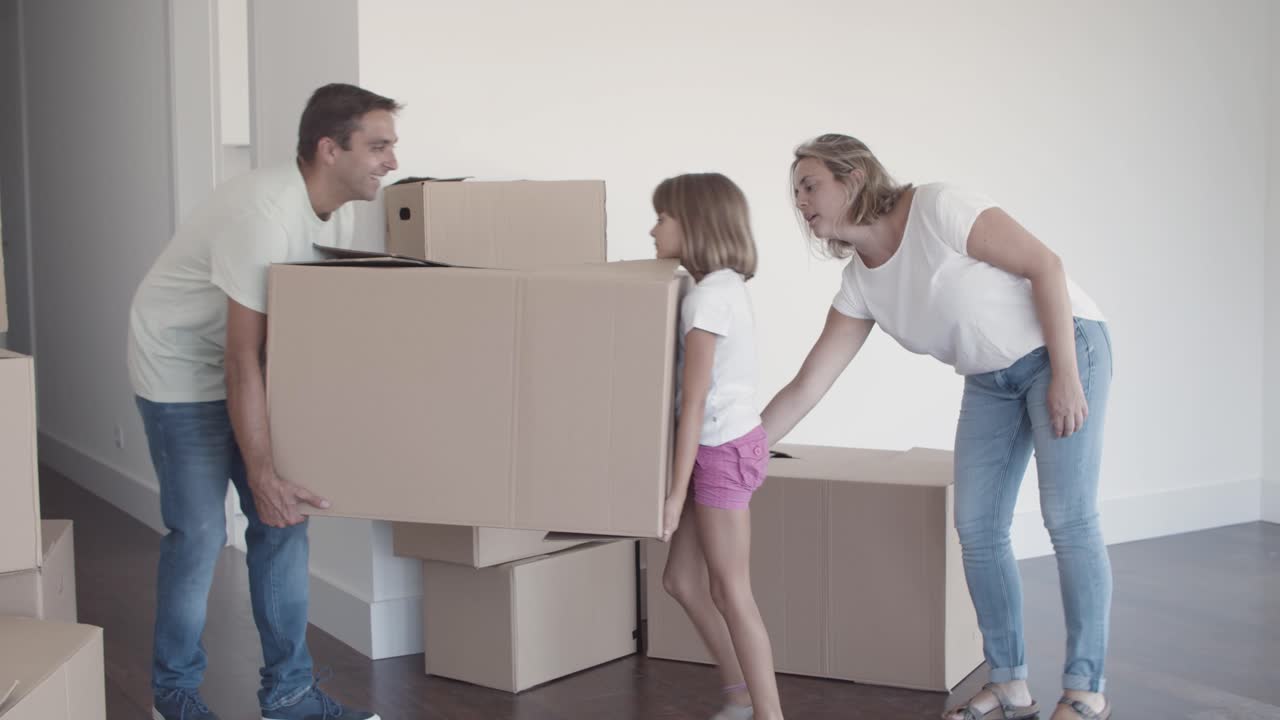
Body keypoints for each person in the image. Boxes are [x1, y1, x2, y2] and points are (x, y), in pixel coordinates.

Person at [761, 134, 1113, 720]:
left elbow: (1044, 266)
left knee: (1068, 517)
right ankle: (1009, 685)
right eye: (796, 191)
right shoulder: (860, 283)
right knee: (977, 526)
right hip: (990, 380)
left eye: (809, 185)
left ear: (853, 178)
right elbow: (808, 385)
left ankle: (1086, 690)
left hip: (1063, 347)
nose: (800, 201)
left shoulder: (937, 207)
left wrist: (1067, 376)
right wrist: (737, 454)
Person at [128, 82, 400, 720]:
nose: (391, 161)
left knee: (282, 521)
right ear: (330, 149)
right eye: (378, 146)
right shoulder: (264, 216)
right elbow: (239, 357)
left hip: (245, 363)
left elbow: (289, 335)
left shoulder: (335, 208)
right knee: (199, 532)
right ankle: (173, 694)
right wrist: (261, 472)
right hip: (180, 366)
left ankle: (291, 695)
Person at [653, 173, 783, 720]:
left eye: (662, 217)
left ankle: (768, 714)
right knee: (681, 581)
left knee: (731, 591)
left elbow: (694, 403)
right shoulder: (721, 287)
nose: (654, 229)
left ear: (695, 223)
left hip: (719, 451)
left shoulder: (705, 299)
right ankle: (739, 693)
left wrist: (674, 495)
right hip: (724, 444)